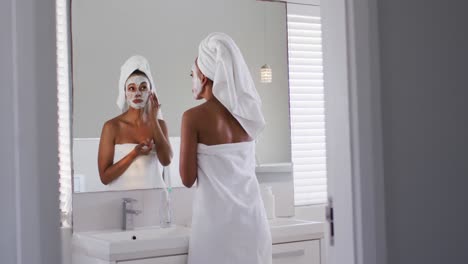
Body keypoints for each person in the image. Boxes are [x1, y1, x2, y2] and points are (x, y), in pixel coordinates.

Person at [180, 33, 272, 264]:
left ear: (203, 76)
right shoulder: (248, 116)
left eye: (193, 74)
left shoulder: (192, 117)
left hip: (216, 230)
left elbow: (187, 179)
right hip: (254, 225)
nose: (191, 79)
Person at [98, 55, 172, 190]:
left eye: (143, 87)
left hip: (155, 199)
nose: (137, 93)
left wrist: (154, 120)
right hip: (122, 202)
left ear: (151, 92)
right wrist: (134, 153)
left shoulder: (160, 125)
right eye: (132, 88)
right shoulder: (112, 127)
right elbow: (105, 177)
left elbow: (166, 161)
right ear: (125, 92)